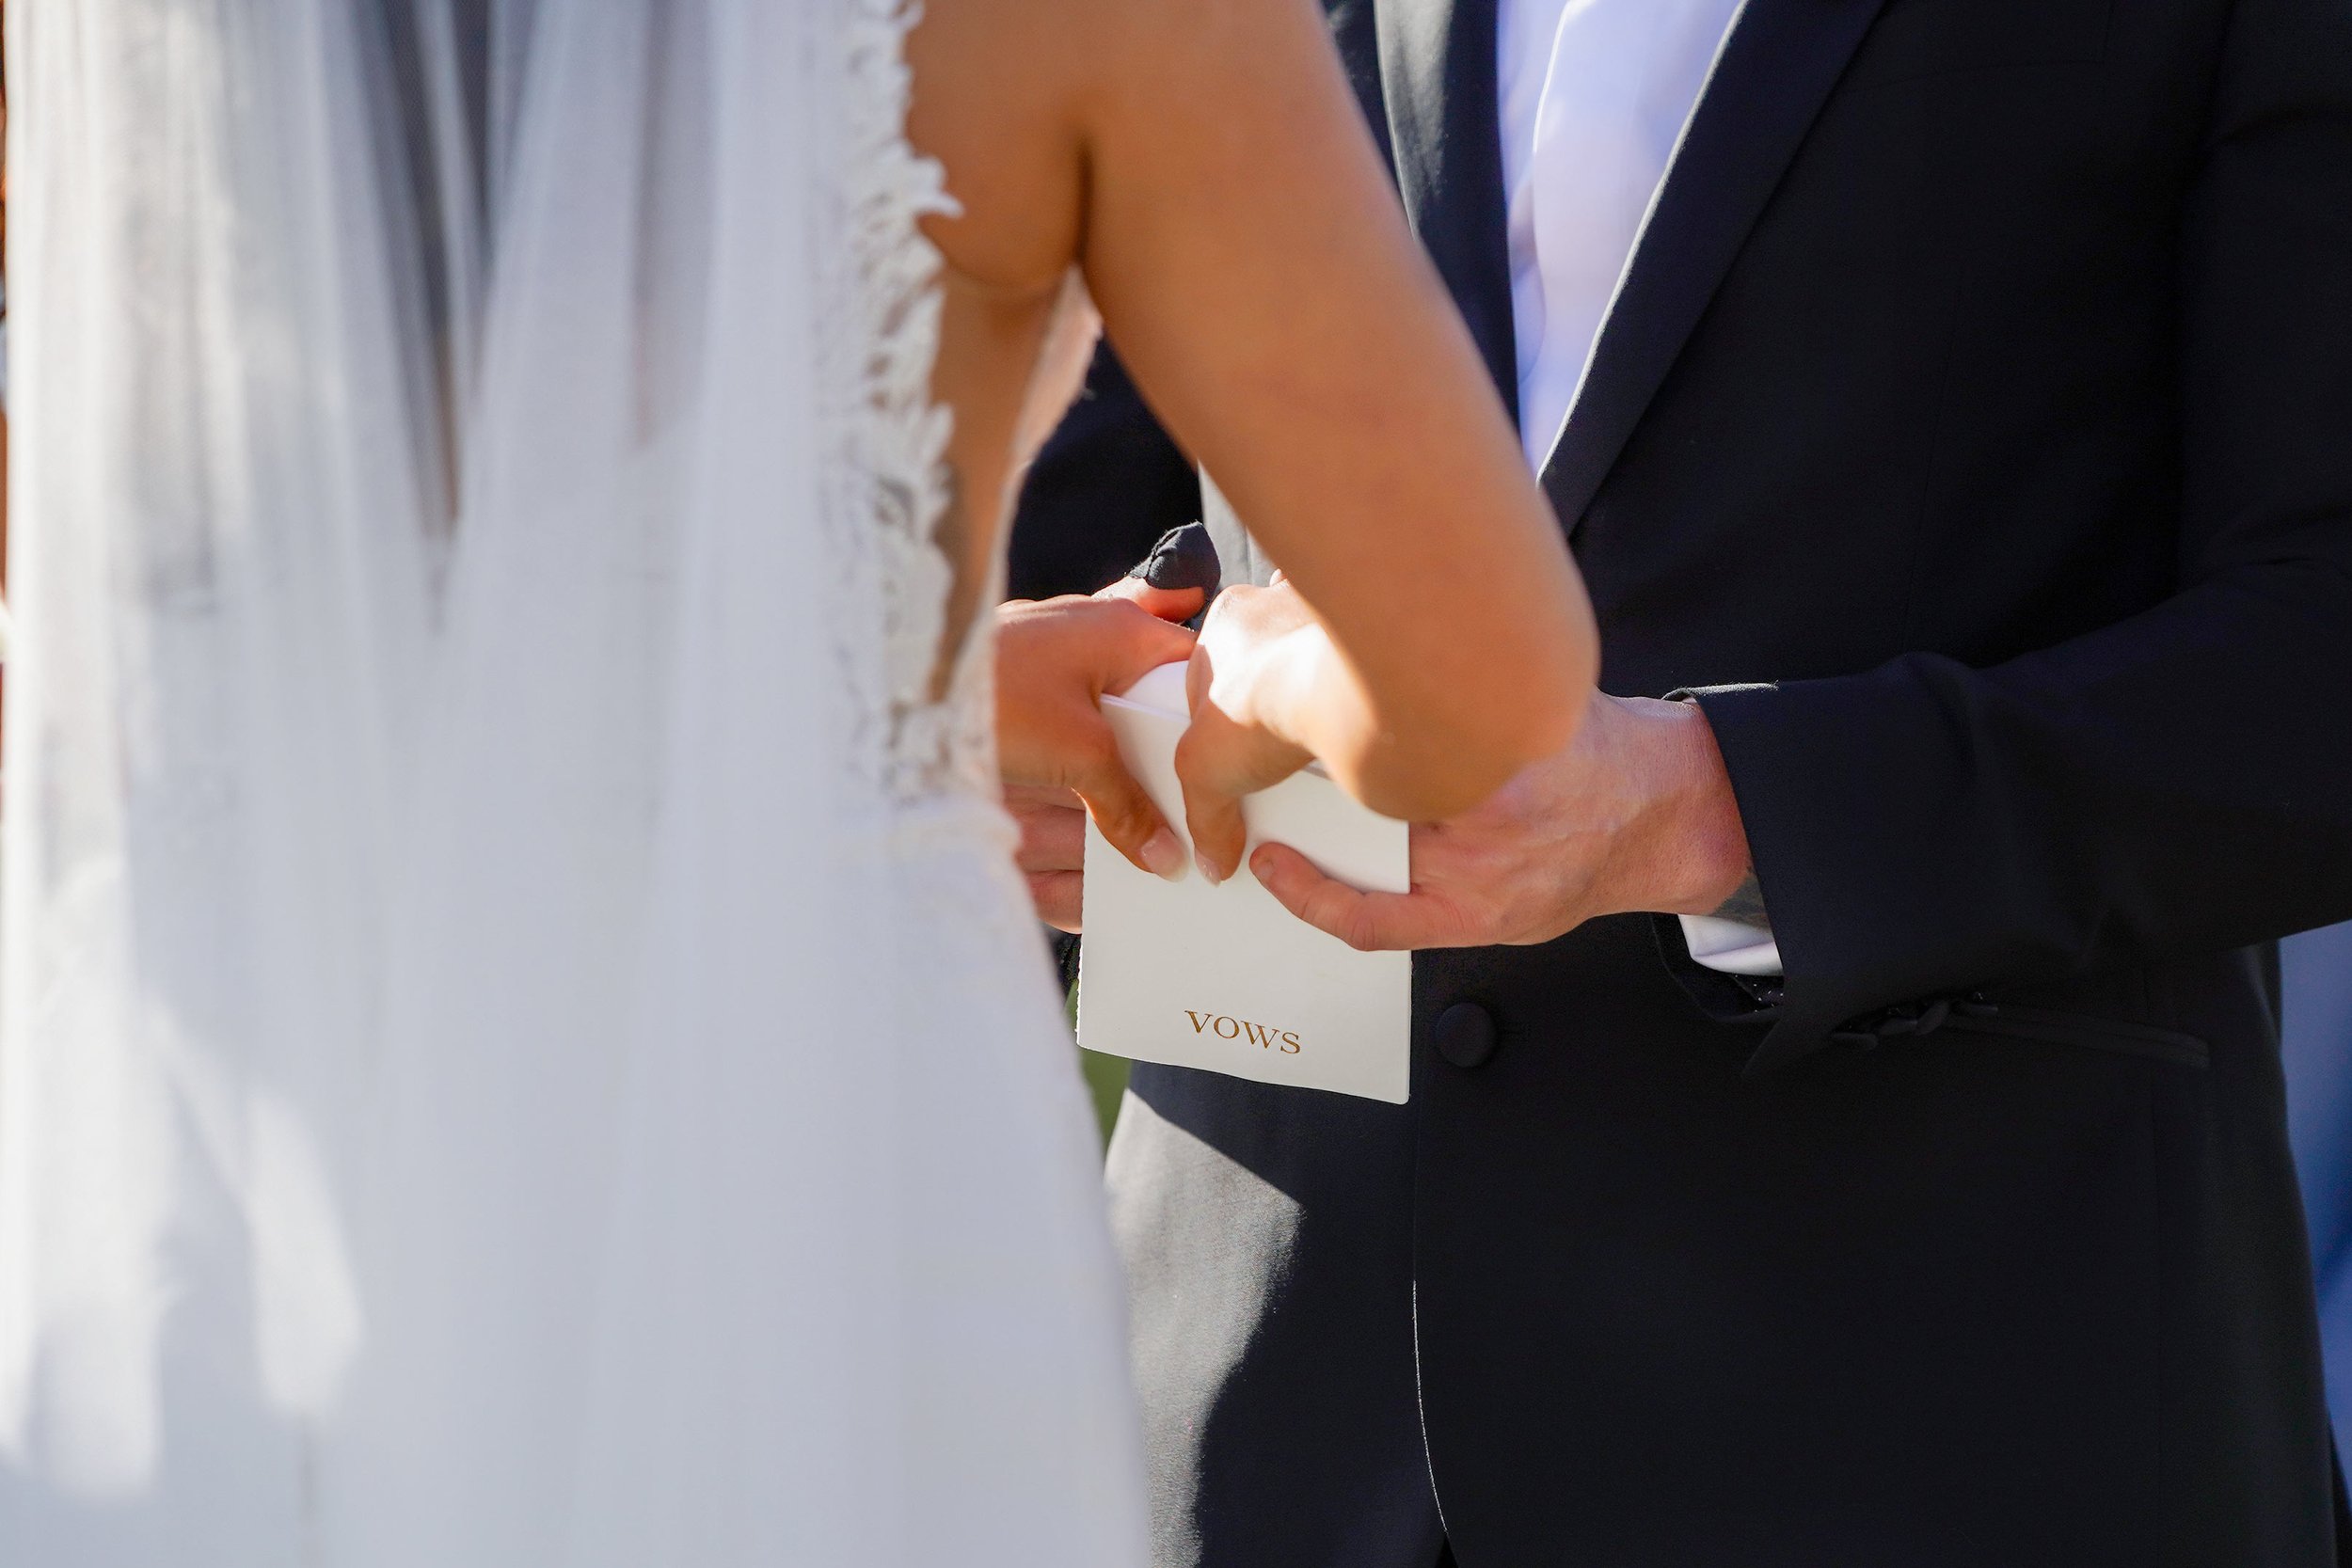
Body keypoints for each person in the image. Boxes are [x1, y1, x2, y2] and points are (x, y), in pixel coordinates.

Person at [0, 0, 1592, 1564]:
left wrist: (914, 690)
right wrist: (1243, 693)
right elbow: (1481, 686)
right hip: (791, 1198)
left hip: (194, 1198)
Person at [1009, 0, 2352, 1560]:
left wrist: (1710, 807)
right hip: (1246, 1402)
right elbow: (1048, 505)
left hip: (1948, 1414)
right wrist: (1013, 731)